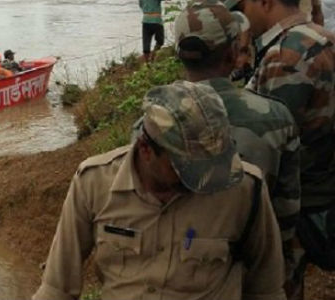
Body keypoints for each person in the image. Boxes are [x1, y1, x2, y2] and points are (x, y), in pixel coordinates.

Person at [32, 80, 286, 300]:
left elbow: (267, 289)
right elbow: (57, 288)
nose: (204, 178)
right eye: (189, 167)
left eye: (212, 163)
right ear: (146, 149)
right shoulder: (93, 182)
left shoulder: (244, 188)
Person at [175, 0, 301, 286]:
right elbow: (287, 209)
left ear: (179, 55)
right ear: (234, 54)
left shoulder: (152, 124)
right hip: (259, 269)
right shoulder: (277, 117)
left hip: (189, 273)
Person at [238, 0, 335, 296]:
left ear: (264, 2)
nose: (241, 16)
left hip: (302, 204)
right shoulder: (325, 37)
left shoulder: (286, 56)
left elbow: (269, 147)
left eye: (243, 6)